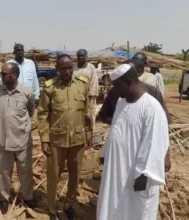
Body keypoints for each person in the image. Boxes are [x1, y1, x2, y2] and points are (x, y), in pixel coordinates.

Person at [97, 63, 169, 220]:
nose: (114, 91)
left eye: (117, 86)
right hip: (116, 169)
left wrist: (145, 174)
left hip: (136, 175)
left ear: (129, 83)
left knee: (135, 211)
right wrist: (106, 152)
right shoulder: (121, 103)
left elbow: (155, 143)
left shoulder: (151, 108)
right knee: (113, 205)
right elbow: (115, 130)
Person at [38, 54, 92, 220]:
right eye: (63, 68)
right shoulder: (50, 87)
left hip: (78, 139)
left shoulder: (82, 85)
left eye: (70, 68)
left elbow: (87, 111)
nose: (67, 71)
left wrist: (88, 134)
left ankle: (69, 205)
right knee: (54, 176)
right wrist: (45, 139)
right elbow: (42, 114)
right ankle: (53, 210)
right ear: (57, 69)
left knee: (75, 176)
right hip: (57, 140)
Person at [99, 59, 172, 171]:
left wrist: (165, 156)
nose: (115, 89)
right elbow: (111, 123)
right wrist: (106, 151)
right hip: (118, 159)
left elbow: (161, 130)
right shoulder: (119, 99)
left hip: (139, 162)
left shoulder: (152, 100)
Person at [0, 63, 37, 214]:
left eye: (5, 74)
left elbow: (31, 111)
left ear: (15, 75)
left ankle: (28, 196)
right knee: (3, 172)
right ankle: (3, 199)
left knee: (25, 171)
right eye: (1, 73)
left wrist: (18, 125)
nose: (2, 76)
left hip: (22, 139)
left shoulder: (26, 92)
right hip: (3, 140)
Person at [7, 43, 40, 130]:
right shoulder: (9, 64)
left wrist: (36, 96)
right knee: (15, 120)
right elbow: (4, 81)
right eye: (17, 50)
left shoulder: (30, 63)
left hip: (29, 97)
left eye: (21, 50)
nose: (20, 52)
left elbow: (34, 80)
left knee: (29, 121)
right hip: (14, 97)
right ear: (14, 52)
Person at [73, 49, 99, 129]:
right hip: (76, 94)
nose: (81, 57)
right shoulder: (74, 67)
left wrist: (91, 95)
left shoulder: (91, 67)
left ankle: (91, 130)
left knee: (90, 113)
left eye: (83, 56)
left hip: (88, 95)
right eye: (79, 56)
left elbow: (94, 81)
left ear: (86, 57)